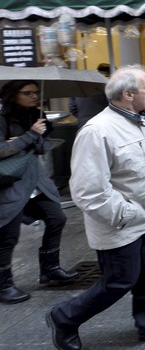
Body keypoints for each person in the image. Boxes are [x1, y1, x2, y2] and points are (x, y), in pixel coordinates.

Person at [46, 66, 145, 350]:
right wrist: (127, 214)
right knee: (119, 281)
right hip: (119, 221)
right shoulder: (97, 131)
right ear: (128, 94)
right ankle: (64, 316)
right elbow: (88, 191)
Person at [0, 81, 78, 305]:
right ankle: (4, 285)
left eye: (35, 92)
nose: (34, 96)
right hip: (10, 182)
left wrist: (34, 137)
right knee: (7, 236)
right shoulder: (3, 118)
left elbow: (43, 148)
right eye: (27, 93)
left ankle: (50, 269)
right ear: (14, 95)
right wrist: (29, 136)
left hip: (36, 180)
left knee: (57, 218)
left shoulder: (37, 116)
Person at [69, 63, 110, 127]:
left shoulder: (79, 87)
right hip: (105, 124)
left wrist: (83, 117)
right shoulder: (108, 87)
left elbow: (72, 108)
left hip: (84, 124)